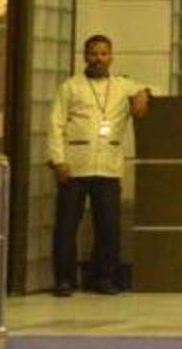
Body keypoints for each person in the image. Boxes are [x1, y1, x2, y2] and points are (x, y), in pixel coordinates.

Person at [48, 35, 151, 297]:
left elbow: (154, 89)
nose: (99, 58)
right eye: (94, 53)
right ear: (85, 56)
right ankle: (64, 279)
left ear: (111, 57)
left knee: (108, 227)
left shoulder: (123, 86)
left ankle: (104, 278)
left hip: (107, 167)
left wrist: (143, 93)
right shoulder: (70, 87)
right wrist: (58, 160)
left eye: (104, 53)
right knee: (66, 226)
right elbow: (56, 124)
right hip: (75, 167)